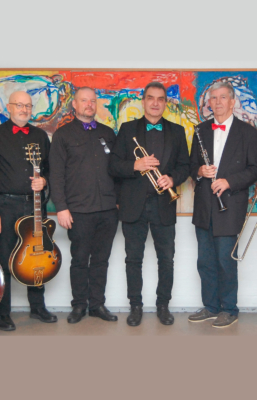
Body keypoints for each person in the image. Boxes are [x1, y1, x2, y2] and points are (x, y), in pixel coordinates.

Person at [109, 81, 190, 326]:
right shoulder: (127, 129)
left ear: (165, 103)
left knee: (166, 259)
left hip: (164, 204)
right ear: (143, 101)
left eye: (160, 99)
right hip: (134, 206)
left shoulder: (177, 131)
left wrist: (172, 179)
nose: (155, 103)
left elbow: (185, 166)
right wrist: (135, 165)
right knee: (133, 259)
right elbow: (113, 166)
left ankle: (163, 305)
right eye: (151, 98)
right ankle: (135, 306)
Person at [0, 91, 57, 331]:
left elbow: (50, 169)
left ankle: (38, 307)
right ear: (9, 107)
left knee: (37, 255)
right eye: (19, 105)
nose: (24, 109)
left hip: (34, 205)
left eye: (28, 105)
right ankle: (2, 312)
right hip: (5, 207)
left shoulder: (40, 136)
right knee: (4, 259)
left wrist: (44, 181)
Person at [188, 82, 257, 328]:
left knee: (225, 261)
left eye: (222, 98)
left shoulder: (248, 133)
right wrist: (200, 170)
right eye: (213, 98)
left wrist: (229, 182)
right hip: (204, 206)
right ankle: (210, 307)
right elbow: (191, 166)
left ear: (232, 101)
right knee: (205, 261)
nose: (217, 102)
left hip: (230, 206)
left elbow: (254, 170)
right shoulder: (200, 130)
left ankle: (229, 309)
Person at [49, 87, 119, 324]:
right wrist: (61, 207)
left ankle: (97, 305)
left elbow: (117, 170)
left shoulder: (108, 133)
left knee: (101, 260)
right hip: (78, 211)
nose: (89, 104)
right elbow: (56, 174)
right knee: (79, 260)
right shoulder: (62, 135)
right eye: (84, 100)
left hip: (108, 210)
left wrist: (118, 201)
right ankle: (79, 305)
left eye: (93, 101)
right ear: (75, 105)